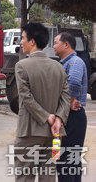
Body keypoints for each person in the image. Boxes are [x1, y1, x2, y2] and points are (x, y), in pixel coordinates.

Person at [14, 23, 70, 182]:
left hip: (29, 133)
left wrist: (47, 117)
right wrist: (58, 119)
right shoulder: (59, 67)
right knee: (49, 174)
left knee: (25, 176)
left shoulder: (22, 66)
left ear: (32, 42)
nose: (21, 42)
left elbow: (26, 98)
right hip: (55, 134)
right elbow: (66, 97)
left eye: (23, 38)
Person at [53, 32, 87, 181]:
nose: (53, 46)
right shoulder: (64, 64)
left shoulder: (75, 62)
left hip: (72, 116)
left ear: (66, 45)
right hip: (67, 114)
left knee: (66, 159)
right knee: (70, 159)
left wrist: (68, 103)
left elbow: (73, 83)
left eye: (56, 42)